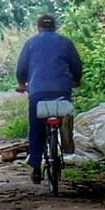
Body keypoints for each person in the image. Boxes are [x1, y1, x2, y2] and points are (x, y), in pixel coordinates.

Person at [16, 13, 83, 184]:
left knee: (37, 127)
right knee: (66, 118)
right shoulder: (66, 43)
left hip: (38, 92)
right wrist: (76, 80)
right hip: (62, 90)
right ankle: (67, 146)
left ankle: (36, 165)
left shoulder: (31, 43)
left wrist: (22, 84)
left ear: (38, 28)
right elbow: (76, 66)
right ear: (55, 27)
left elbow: (22, 68)